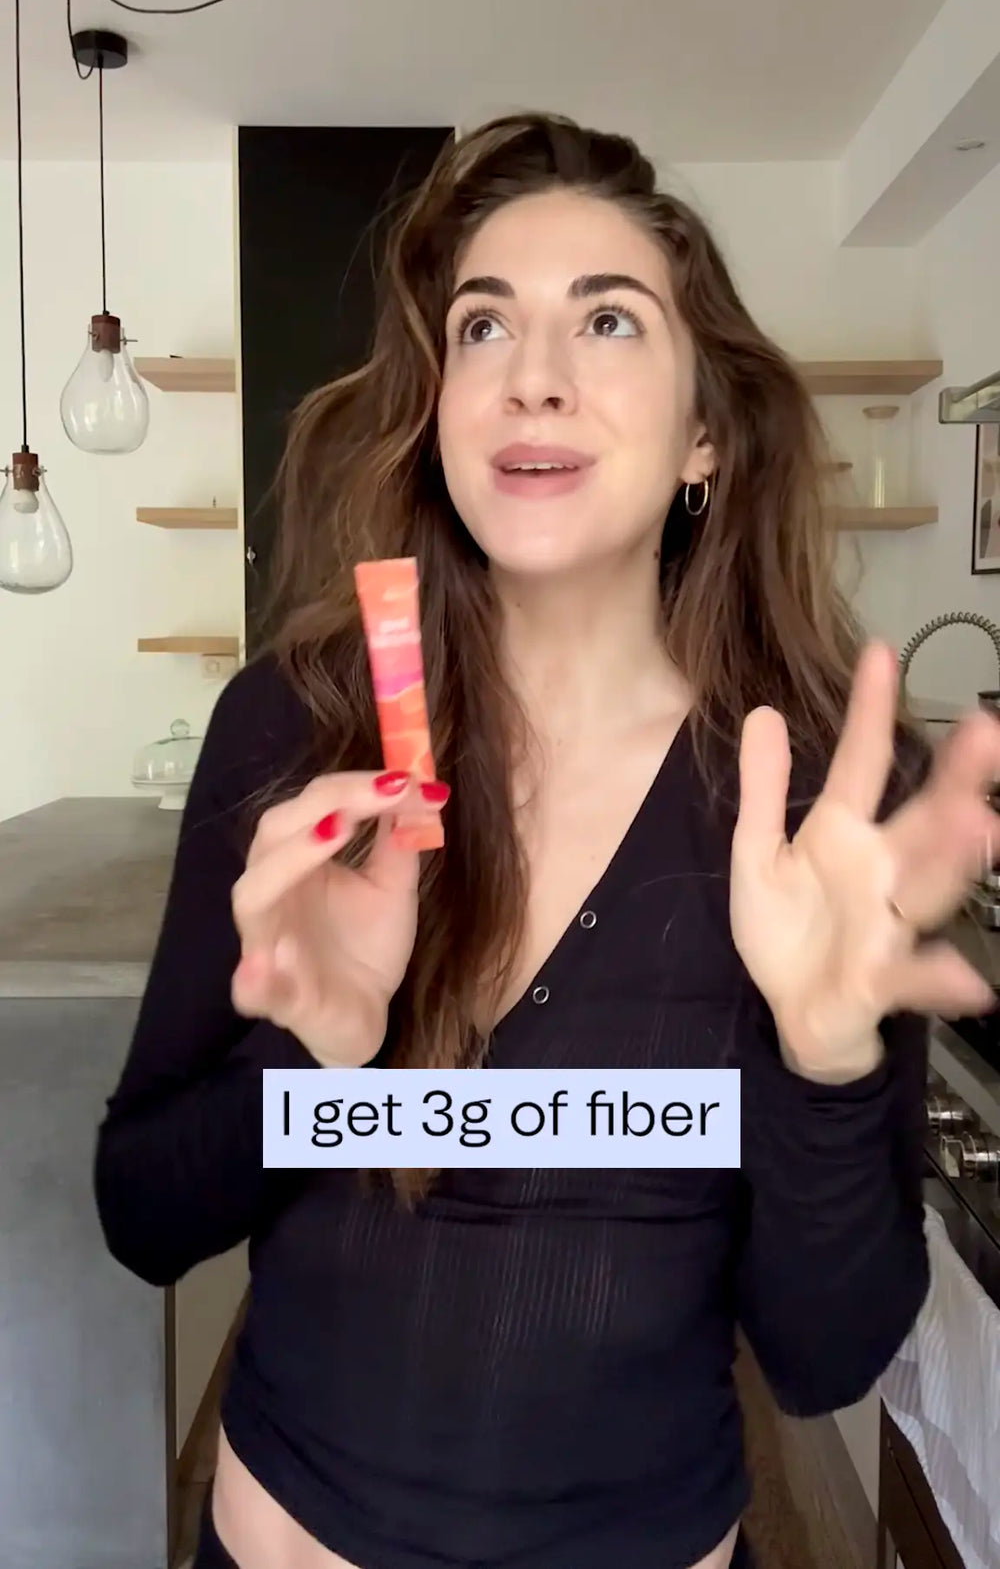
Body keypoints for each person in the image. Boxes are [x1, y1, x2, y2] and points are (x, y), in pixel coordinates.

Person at [95, 113, 999, 1569]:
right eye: (483, 325)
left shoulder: (814, 805)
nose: (533, 374)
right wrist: (316, 1065)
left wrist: (826, 1068)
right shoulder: (296, 727)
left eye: (609, 319)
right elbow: (143, 1211)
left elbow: (825, 1359)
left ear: (706, 434)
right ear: (440, 412)